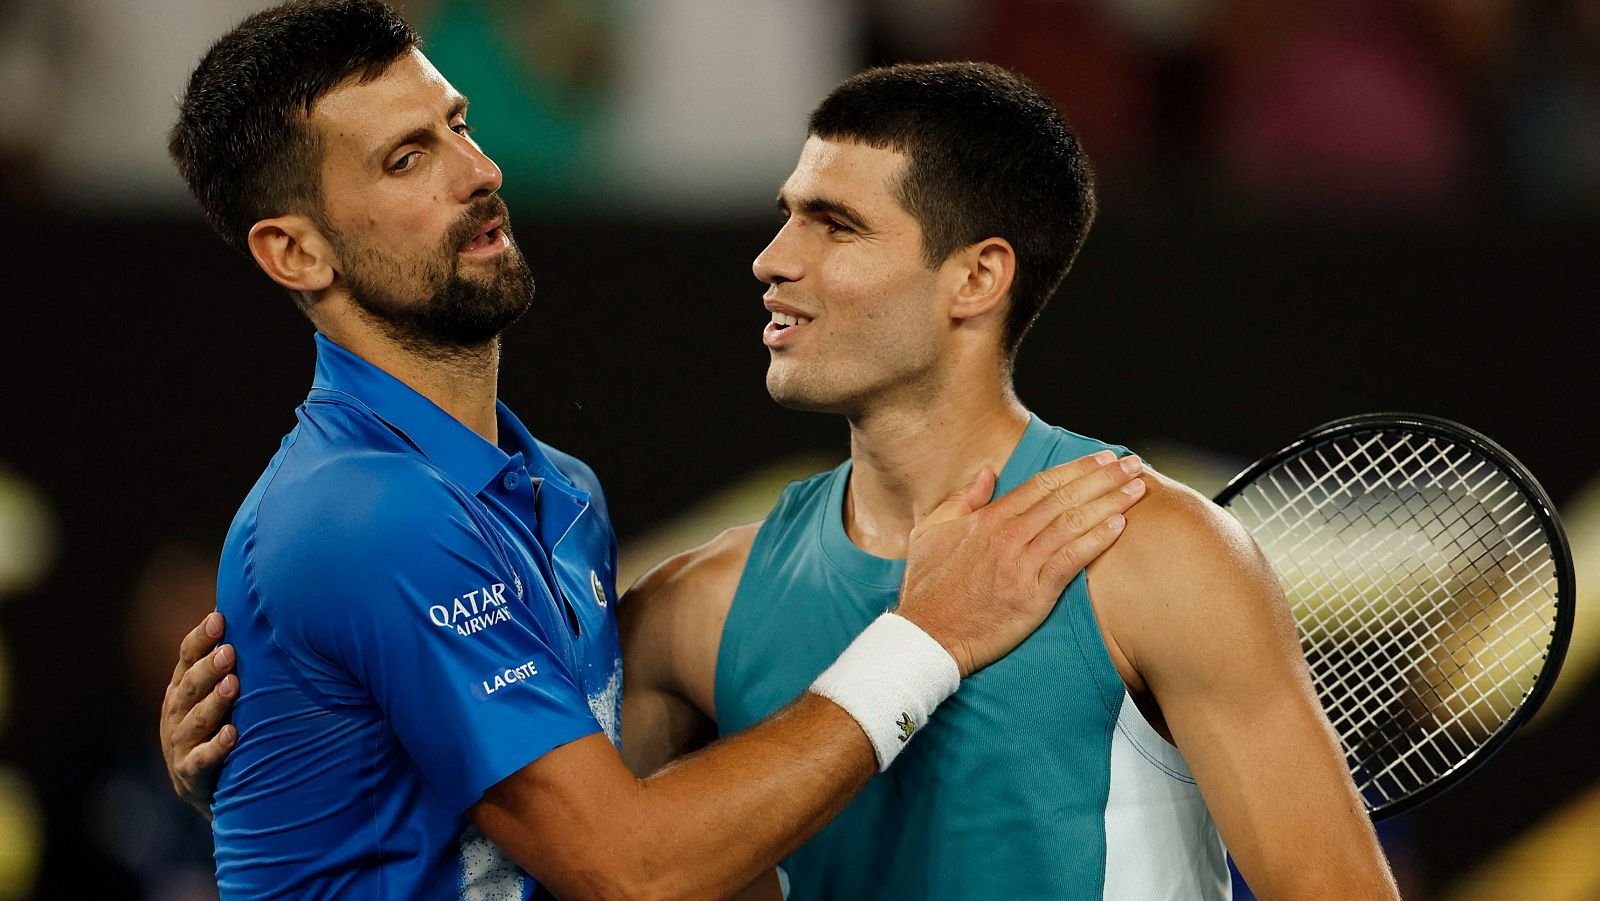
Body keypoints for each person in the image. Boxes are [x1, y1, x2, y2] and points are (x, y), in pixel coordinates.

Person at [158, 3, 1142, 899]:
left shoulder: (559, 495)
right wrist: (929, 637)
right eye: (406, 159)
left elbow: (610, 812)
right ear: (297, 252)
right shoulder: (367, 517)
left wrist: (292, 762)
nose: (479, 170)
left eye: (456, 124)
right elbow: (631, 866)